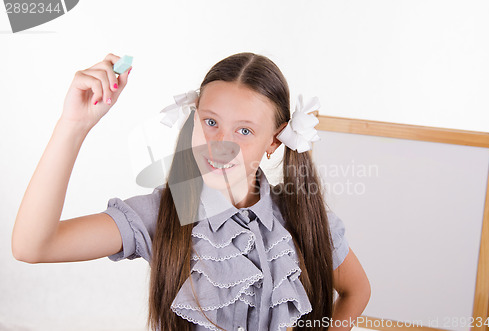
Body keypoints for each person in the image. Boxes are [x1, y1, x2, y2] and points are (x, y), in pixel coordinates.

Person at [12, 52, 370, 331]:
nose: (220, 144)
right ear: (193, 117)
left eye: (244, 131)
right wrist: (73, 125)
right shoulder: (161, 214)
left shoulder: (302, 219)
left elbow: (357, 290)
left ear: (274, 141)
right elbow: (33, 246)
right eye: (211, 122)